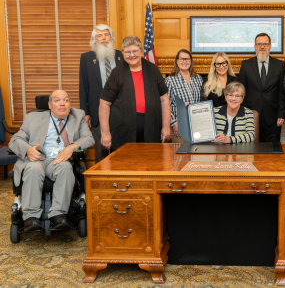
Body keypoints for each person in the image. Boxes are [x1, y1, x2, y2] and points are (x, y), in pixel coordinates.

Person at [9, 90, 95, 232]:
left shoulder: (78, 116)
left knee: (66, 168)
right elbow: (15, 140)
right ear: (49, 104)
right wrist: (28, 150)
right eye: (57, 100)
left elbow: (89, 138)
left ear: (70, 104)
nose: (62, 103)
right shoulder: (32, 118)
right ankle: (30, 217)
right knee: (34, 168)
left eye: (66, 100)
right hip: (37, 159)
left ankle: (58, 215)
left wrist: (71, 147)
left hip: (60, 161)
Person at [99, 35, 171, 152]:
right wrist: (105, 132)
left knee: (151, 164)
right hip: (123, 132)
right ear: (122, 53)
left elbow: (164, 100)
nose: (132, 55)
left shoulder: (153, 70)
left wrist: (166, 127)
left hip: (151, 129)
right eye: (127, 52)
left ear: (141, 51)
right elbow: (104, 103)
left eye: (135, 51)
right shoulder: (116, 73)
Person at [79, 24, 123, 163]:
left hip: (121, 112)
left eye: (106, 34)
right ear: (95, 40)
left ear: (111, 37)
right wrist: (85, 113)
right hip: (96, 112)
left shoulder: (121, 56)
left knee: (120, 151)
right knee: (102, 151)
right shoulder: (86, 58)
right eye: (100, 35)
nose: (104, 38)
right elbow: (83, 86)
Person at [239, 33, 285, 142]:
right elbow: (241, 92)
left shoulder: (279, 65)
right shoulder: (246, 65)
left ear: (270, 46)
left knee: (273, 150)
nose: (262, 47)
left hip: (273, 116)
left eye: (265, 44)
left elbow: (282, 92)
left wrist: (282, 114)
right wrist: (243, 114)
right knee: (252, 150)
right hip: (251, 116)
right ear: (255, 46)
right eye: (259, 44)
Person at [166, 49, 203, 142]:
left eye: (187, 59)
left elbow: (202, 101)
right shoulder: (170, 80)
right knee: (182, 155)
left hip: (197, 124)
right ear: (177, 61)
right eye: (181, 59)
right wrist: (174, 124)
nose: (184, 62)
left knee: (198, 154)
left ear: (191, 61)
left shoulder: (198, 78)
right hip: (180, 124)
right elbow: (167, 105)